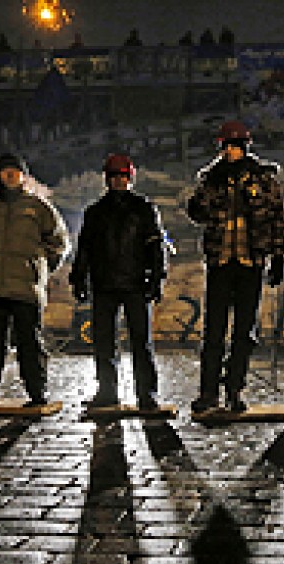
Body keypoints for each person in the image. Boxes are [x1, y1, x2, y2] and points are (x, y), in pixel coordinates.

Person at [186, 120, 284, 413]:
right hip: (220, 261)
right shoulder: (211, 178)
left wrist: (278, 256)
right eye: (227, 147)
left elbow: (277, 218)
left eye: (236, 146)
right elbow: (197, 213)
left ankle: (234, 389)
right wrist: (207, 188)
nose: (231, 152)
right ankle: (208, 392)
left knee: (244, 332)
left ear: (245, 147)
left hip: (249, 261)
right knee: (214, 331)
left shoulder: (264, 179)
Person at [0, 153, 68, 406]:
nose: (10, 175)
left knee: (29, 343)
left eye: (15, 171)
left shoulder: (39, 207)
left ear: (23, 175)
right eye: (5, 170)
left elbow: (59, 242)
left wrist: (40, 268)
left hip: (25, 286)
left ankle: (36, 392)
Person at [70, 154, 167, 410]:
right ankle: (110, 392)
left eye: (122, 176)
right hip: (108, 284)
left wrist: (157, 278)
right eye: (115, 176)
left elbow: (156, 248)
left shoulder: (143, 209)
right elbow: (85, 249)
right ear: (108, 179)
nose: (118, 181)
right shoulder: (98, 213)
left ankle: (145, 393)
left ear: (129, 178)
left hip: (134, 284)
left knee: (140, 343)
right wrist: (79, 278)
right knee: (105, 343)